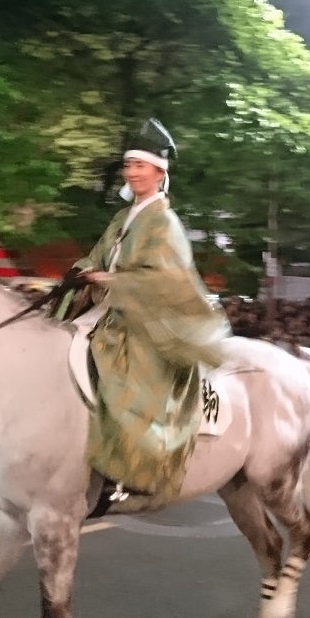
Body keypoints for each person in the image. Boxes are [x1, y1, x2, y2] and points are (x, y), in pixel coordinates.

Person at [77, 118, 229, 503]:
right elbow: (96, 257)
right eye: (128, 166)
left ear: (159, 171)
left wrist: (111, 281)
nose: (132, 173)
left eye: (139, 166)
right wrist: (80, 272)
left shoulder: (164, 221)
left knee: (130, 383)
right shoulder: (121, 218)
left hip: (148, 324)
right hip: (108, 314)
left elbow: (167, 281)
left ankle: (135, 470)